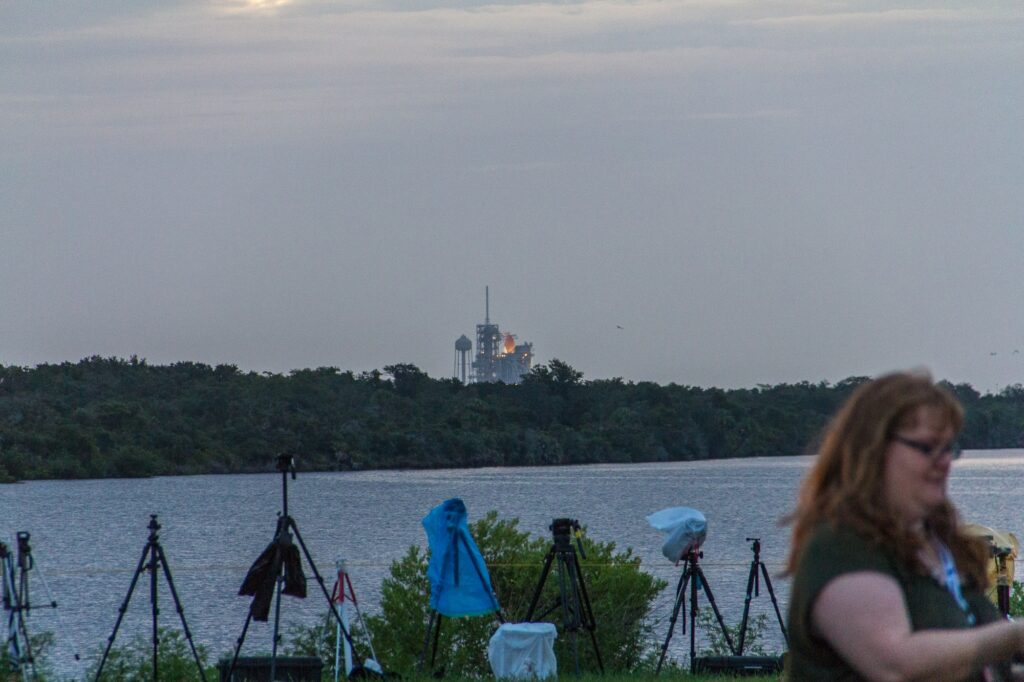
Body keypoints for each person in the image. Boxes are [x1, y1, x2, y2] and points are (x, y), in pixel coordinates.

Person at [784, 371, 1024, 682]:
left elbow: (981, 670)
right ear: (874, 450)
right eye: (927, 447)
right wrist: (1013, 636)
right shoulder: (839, 547)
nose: (943, 461)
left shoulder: (942, 545)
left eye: (947, 448)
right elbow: (896, 665)